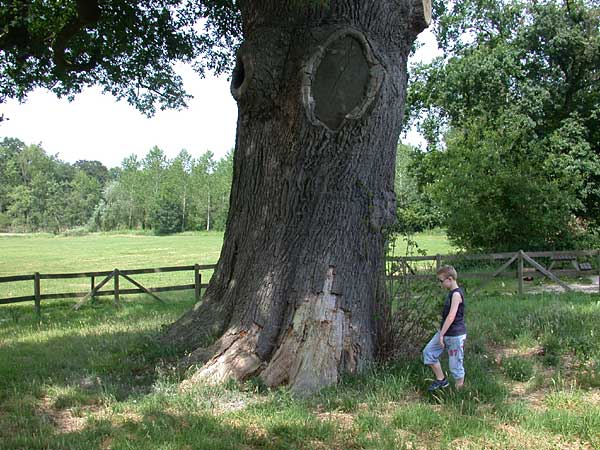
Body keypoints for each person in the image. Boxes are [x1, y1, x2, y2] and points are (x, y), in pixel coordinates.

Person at [422, 265, 467, 391]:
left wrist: (441, 335)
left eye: (441, 281)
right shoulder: (451, 294)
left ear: (450, 279)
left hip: (455, 335)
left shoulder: (456, 295)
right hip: (445, 332)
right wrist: (442, 333)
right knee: (429, 352)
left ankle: (459, 395)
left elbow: (451, 316)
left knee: (455, 366)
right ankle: (441, 380)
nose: (441, 284)